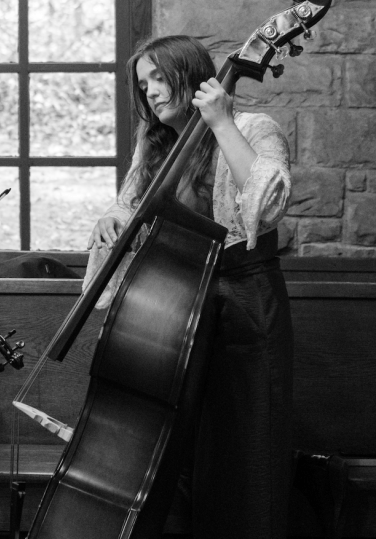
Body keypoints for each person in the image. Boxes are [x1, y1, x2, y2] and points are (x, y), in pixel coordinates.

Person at [85, 35, 293, 538]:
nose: (151, 92)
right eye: (143, 84)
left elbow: (266, 205)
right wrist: (111, 220)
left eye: (159, 77)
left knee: (246, 448)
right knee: (172, 450)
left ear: (192, 75)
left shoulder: (252, 127)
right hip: (175, 307)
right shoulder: (153, 146)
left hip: (242, 301)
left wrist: (220, 122)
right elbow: (128, 204)